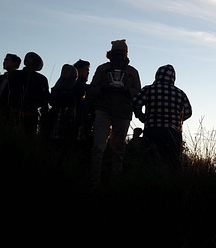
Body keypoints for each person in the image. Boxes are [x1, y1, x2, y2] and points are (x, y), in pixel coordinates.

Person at [88, 39, 141, 187]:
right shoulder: (102, 69)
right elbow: (91, 90)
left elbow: (138, 92)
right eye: (117, 54)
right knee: (98, 148)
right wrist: (103, 89)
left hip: (123, 113)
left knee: (118, 151)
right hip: (103, 111)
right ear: (110, 54)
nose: (119, 57)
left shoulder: (132, 72)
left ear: (126, 54)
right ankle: (94, 183)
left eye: (122, 54)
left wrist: (127, 91)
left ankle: (114, 184)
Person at [132, 64, 192, 172]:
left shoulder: (148, 89)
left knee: (150, 162)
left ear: (157, 75)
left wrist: (141, 117)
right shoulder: (180, 93)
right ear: (173, 78)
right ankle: (173, 186)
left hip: (152, 131)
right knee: (173, 164)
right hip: (174, 134)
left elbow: (135, 103)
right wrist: (177, 120)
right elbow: (188, 112)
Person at [8, 51, 50, 137]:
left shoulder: (41, 79)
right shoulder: (14, 75)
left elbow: (45, 98)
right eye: (27, 57)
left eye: (30, 58)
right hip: (13, 113)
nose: (27, 59)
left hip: (31, 115)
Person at [0, 53, 21, 133]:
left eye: (7, 60)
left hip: (12, 112)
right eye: (4, 60)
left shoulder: (19, 78)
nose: (4, 62)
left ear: (15, 63)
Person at [48, 64, 81, 148]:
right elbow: (52, 101)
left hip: (69, 116)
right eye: (64, 70)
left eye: (68, 70)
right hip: (56, 115)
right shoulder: (58, 85)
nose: (65, 72)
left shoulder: (77, 86)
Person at [73, 59, 94, 154]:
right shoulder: (75, 86)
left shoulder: (88, 88)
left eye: (88, 70)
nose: (88, 72)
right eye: (86, 69)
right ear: (78, 70)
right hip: (76, 120)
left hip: (85, 121)